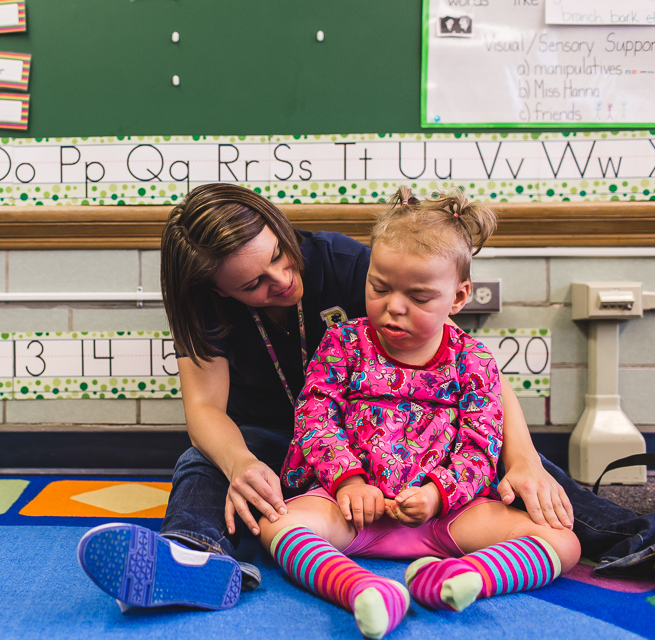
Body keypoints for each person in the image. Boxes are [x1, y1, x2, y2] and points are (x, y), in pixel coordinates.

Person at [76, 183, 654, 613]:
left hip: (416, 452)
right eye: (253, 284)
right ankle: (194, 557)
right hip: (293, 445)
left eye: (279, 254)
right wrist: (242, 464)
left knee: (522, 466)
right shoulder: (214, 309)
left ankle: (633, 540)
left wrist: (522, 458)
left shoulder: (358, 267)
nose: (281, 280)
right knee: (204, 463)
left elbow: (475, 374)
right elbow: (205, 410)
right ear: (216, 291)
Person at [257, 188, 579, 638]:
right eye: (379, 287)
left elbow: (482, 447)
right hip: (349, 511)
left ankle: (460, 579)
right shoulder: (344, 344)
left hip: (448, 517)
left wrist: (437, 494)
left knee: (564, 543)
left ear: (459, 297)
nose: (394, 307)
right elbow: (315, 418)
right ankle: (361, 589)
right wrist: (349, 481)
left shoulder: (474, 361)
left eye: (420, 296)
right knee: (277, 525)